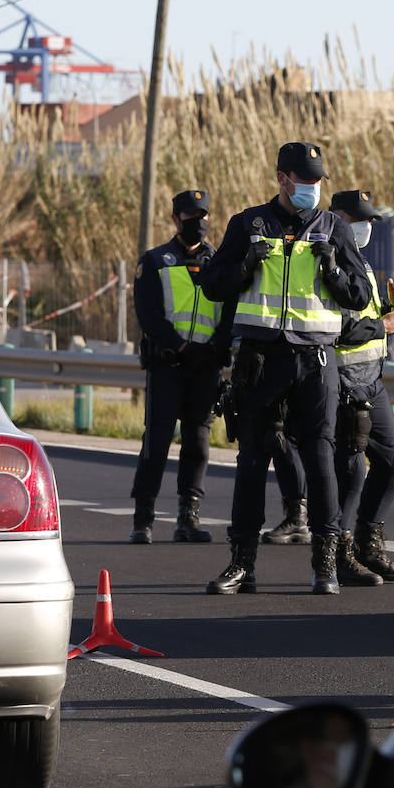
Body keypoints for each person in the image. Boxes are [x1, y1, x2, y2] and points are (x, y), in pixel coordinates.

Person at [197, 141, 371, 596]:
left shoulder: (334, 227)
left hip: (315, 361)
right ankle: (242, 564)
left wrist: (334, 273)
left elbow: (359, 296)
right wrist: (243, 268)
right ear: (282, 178)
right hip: (261, 360)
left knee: (320, 460)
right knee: (252, 460)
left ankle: (324, 564)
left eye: (317, 181)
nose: (311, 189)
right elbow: (213, 287)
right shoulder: (249, 224)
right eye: (304, 180)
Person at [127, 189, 231, 545]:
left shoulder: (219, 261)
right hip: (169, 364)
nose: (199, 223)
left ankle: (188, 517)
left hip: (206, 367)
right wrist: (181, 346)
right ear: (175, 220)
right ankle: (143, 518)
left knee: (198, 444)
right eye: (190, 217)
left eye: (204, 216)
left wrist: (215, 347)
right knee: (156, 442)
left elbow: (229, 313)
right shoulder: (156, 261)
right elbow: (149, 315)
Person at [329, 189, 394, 584]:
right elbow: (332, 329)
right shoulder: (325, 261)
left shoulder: (357, 260)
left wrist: (389, 308)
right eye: (359, 220)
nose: (366, 228)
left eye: (369, 221)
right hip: (342, 383)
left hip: (371, 381)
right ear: (338, 218)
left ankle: (368, 543)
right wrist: (384, 324)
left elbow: (362, 317)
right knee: (350, 473)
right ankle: (340, 555)